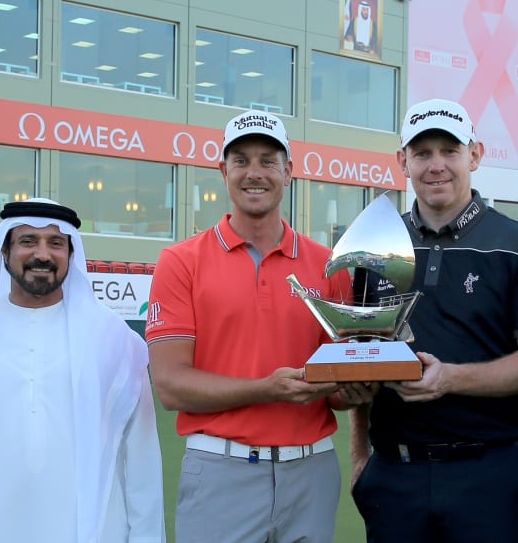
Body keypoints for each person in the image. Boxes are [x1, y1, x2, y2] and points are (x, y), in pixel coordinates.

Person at [145, 109, 373, 543]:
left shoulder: (329, 264)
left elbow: (341, 390)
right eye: (242, 160)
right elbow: (171, 387)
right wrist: (267, 389)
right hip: (219, 471)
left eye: (268, 160)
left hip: (311, 472)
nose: (255, 173)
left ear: (289, 171)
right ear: (223, 170)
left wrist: (361, 385)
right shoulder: (181, 262)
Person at [348, 98, 518, 543]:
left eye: (450, 150)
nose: (436, 166)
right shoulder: (375, 246)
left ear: (475, 156)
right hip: (395, 474)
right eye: (422, 153)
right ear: (403, 161)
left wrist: (449, 379)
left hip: (491, 476)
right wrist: (358, 456)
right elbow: (362, 353)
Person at [0, 198, 165, 543]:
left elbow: (141, 462)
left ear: (71, 254)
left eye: (56, 243)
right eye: (28, 241)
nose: (43, 254)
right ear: (5, 252)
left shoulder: (115, 342)